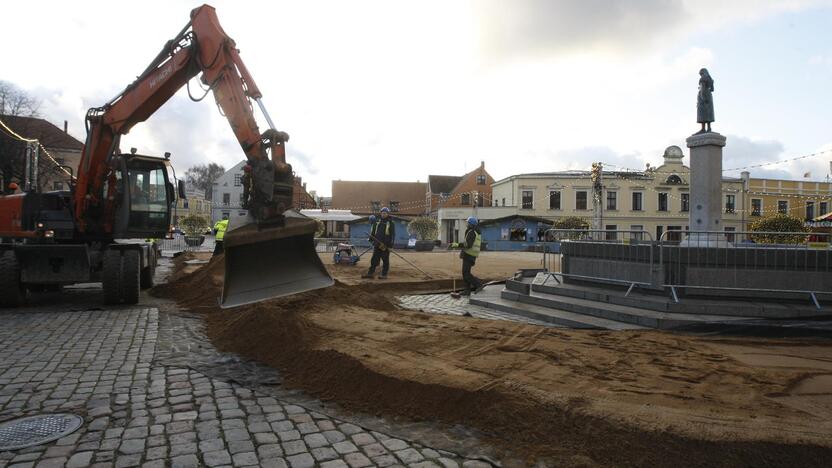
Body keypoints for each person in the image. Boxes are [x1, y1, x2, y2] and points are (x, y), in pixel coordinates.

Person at [450, 216, 484, 295]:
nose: (466, 224)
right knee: (465, 273)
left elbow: (468, 245)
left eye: (468, 223)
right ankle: (467, 290)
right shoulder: (474, 231)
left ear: (471, 224)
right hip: (470, 255)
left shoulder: (472, 232)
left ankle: (478, 284)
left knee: (466, 273)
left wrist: (456, 245)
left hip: (469, 255)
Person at [362, 207, 395, 279]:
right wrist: (371, 239)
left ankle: (384, 274)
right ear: (380, 213)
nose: (383, 214)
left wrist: (390, 246)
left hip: (385, 245)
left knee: (385, 259)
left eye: (385, 213)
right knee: (374, 259)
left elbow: (392, 235)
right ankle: (370, 273)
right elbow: (374, 232)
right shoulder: (378, 222)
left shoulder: (391, 223)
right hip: (377, 244)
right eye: (382, 213)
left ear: (388, 214)